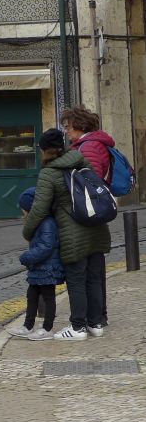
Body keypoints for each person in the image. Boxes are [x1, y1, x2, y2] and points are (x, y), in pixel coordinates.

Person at [22, 128, 111, 342]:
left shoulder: (49, 173)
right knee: (94, 278)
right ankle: (95, 324)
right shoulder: (80, 161)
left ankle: (78, 327)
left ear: (44, 150)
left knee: (77, 280)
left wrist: (27, 231)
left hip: (73, 233)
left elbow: (39, 209)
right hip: (97, 228)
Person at [61, 105, 114, 336]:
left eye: (68, 127)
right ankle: (97, 320)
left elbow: (88, 183)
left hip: (88, 216)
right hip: (95, 216)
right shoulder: (95, 143)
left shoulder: (89, 147)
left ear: (79, 126)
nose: (66, 132)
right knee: (95, 270)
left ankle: (84, 323)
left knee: (86, 273)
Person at [8, 187, 62, 340]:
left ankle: (47, 328)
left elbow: (46, 246)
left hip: (47, 267)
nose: (22, 212)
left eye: (23, 209)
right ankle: (27, 325)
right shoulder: (40, 222)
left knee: (48, 297)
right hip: (39, 268)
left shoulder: (47, 223)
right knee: (31, 295)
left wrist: (27, 257)